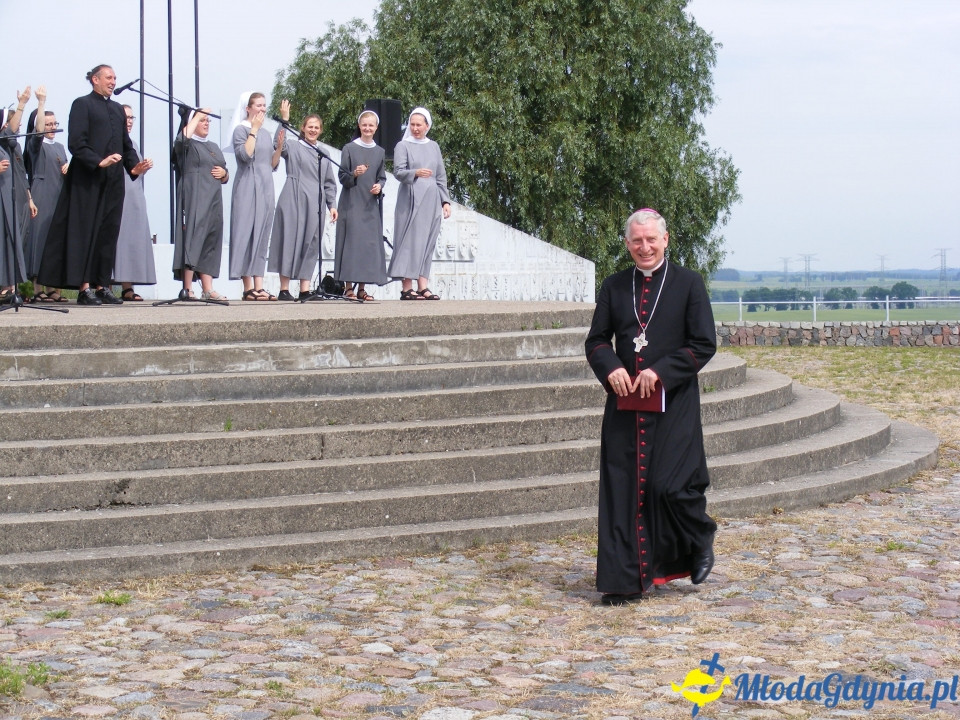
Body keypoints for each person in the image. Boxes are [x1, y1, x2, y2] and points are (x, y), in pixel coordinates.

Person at [584, 208, 718, 606]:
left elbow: (703, 344)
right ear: (627, 244)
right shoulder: (613, 286)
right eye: (637, 241)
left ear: (666, 239)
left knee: (669, 486)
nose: (644, 247)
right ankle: (623, 581)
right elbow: (596, 341)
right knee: (623, 491)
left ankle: (699, 536)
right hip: (624, 406)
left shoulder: (688, 284)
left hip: (672, 403)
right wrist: (610, 369)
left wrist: (661, 371)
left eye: (651, 239)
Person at [37, 65, 152, 305]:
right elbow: (76, 143)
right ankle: (84, 286)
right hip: (87, 180)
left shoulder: (117, 109)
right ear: (95, 80)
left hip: (113, 181)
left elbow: (125, 144)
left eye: (115, 78)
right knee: (86, 232)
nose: (113, 81)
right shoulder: (82, 104)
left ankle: (102, 285)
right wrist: (99, 161)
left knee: (108, 232)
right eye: (109, 77)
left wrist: (133, 167)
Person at [268, 100, 337, 301]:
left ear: (320, 130)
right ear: (303, 128)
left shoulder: (323, 153)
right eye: (310, 127)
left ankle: (305, 289)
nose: (313, 130)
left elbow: (329, 183)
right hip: (294, 197)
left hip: (315, 203)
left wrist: (332, 205)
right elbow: (277, 143)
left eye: (316, 128)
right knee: (290, 239)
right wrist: (284, 120)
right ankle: (284, 289)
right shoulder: (293, 146)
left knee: (311, 242)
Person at [387, 106, 451, 300]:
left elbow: (440, 176)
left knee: (427, 241)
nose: (415, 128)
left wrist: (445, 201)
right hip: (411, 197)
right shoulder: (403, 145)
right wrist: (415, 173)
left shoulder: (434, 146)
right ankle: (407, 287)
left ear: (427, 126)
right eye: (412, 124)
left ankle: (423, 284)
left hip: (431, 199)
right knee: (409, 241)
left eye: (419, 125)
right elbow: (398, 171)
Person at [229, 91, 282, 301]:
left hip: (265, 184)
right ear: (248, 108)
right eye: (258, 105)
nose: (262, 109)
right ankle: (247, 286)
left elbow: (272, 163)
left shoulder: (266, 134)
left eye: (264, 105)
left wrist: (278, 147)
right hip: (247, 185)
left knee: (261, 234)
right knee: (245, 233)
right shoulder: (241, 130)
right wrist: (254, 130)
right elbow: (245, 155)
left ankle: (259, 285)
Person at [172, 108, 229, 301]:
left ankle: (208, 288)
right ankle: (187, 288)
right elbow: (181, 139)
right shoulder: (187, 145)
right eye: (201, 120)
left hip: (213, 199)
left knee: (210, 240)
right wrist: (196, 115)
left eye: (208, 121)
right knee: (193, 238)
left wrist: (225, 174)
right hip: (195, 195)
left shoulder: (213, 145)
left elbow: (224, 169)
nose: (206, 123)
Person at [22, 86, 69, 302]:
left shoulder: (60, 146)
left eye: (54, 124)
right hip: (42, 193)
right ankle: (38, 287)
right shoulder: (36, 145)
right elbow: (38, 132)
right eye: (48, 124)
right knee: (39, 241)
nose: (51, 127)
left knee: (55, 242)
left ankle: (54, 288)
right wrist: (41, 103)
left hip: (59, 194)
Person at [334, 109, 387, 301]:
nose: (367, 128)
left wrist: (378, 186)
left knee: (366, 246)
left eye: (371, 125)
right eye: (364, 125)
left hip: (369, 205)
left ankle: (362, 288)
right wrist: (354, 174)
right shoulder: (349, 148)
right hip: (352, 203)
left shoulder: (380, 152)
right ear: (359, 126)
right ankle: (348, 287)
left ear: (376, 128)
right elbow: (342, 177)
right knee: (351, 244)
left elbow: (382, 177)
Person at [112, 104, 156, 301]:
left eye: (131, 118)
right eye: (125, 117)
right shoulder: (111, 141)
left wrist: (142, 168)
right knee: (116, 239)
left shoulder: (133, 144)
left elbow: (134, 171)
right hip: (118, 196)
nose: (129, 121)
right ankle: (103, 284)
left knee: (131, 240)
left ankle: (127, 286)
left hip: (135, 195)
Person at [0, 90, 38, 301]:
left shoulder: (6, 143)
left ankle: (10, 287)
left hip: (10, 199)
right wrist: (22, 103)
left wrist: (22, 103)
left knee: (11, 242)